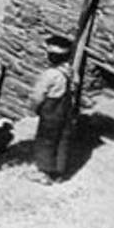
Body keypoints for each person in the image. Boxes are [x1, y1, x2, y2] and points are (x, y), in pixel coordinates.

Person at [28, 34, 74, 183]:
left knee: (46, 139)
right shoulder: (70, 71)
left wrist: (34, 108)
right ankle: (59, 172)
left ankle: (44, 171)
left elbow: (38, 95)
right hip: (65, 109)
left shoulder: (49, 75)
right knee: (61, 138)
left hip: (52, 109)